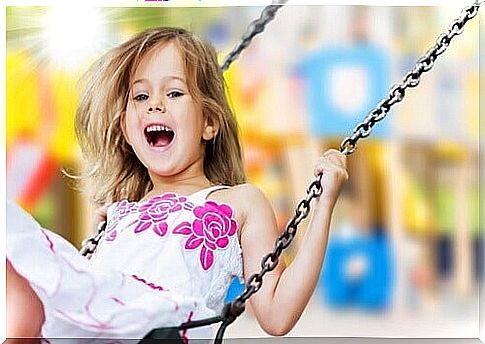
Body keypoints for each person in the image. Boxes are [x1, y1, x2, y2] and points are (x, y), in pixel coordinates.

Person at [6, 27, 348, 342]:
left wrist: (324, 204)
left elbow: (277, 315)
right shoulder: (120, 214)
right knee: (14, 242)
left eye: (174, 92)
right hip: (102, 323)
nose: (155, 103)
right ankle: (26, 325)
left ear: (209, 123)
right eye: (140, 97)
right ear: (126, 130)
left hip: (167, 324)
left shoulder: (239, 202)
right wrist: (100, 245)